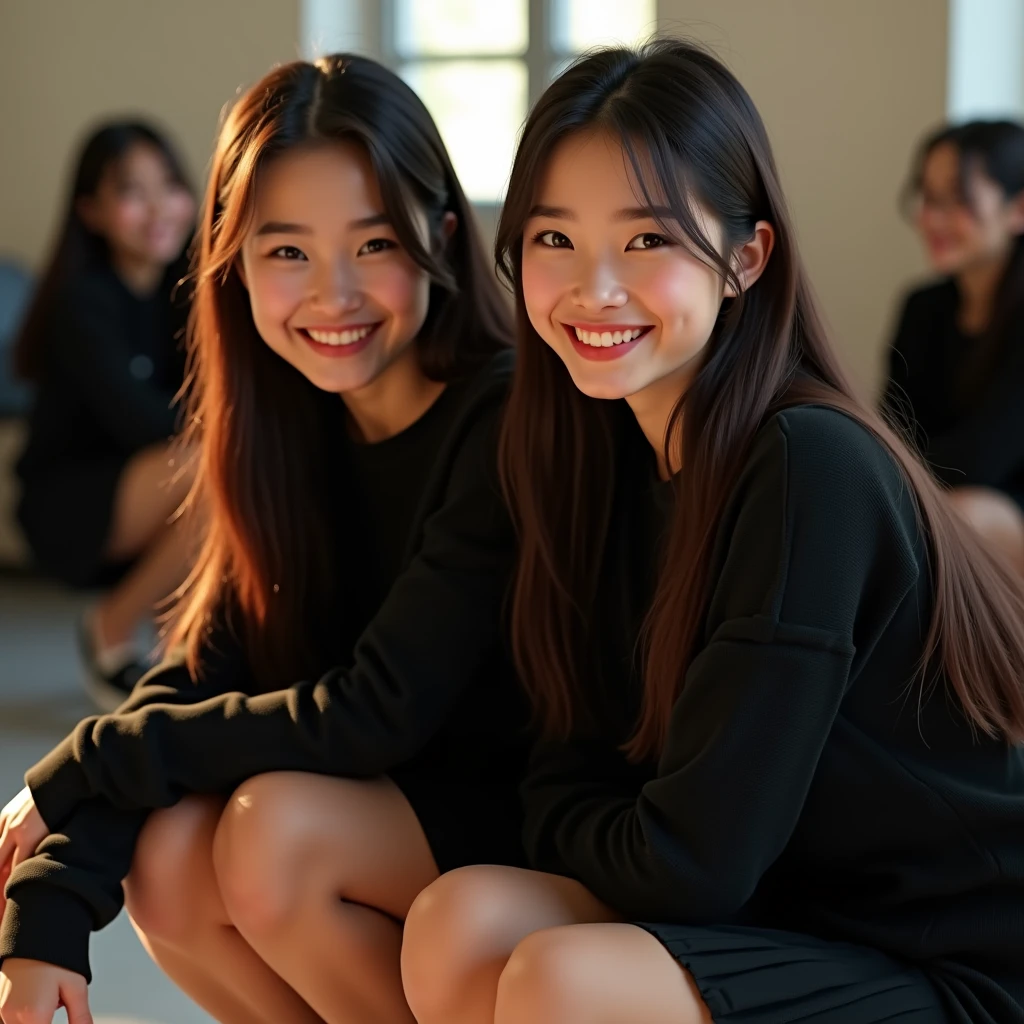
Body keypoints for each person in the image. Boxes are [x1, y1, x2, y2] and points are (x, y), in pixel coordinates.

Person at [397, 40, 1024, 1024]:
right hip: (789, 910)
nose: (590, 287)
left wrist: (579, 818)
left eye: (646, 240)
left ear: (745, 256)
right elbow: (572, 755)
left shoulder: (805, 464)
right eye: (552, 239)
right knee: (459, 920)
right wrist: (594, 815)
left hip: (949, 965)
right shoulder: (599, 454)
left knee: (555, 982)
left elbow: (691, 864)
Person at [0, 54, 526, 1024]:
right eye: (286, 251)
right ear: (232, 266)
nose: (334, 293)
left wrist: (81, 764)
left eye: (373, 245)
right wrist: (52, 905)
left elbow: (376, 713)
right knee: (162, 859)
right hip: (381, 799)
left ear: (440, 238)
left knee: (269, 835)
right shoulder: (292, 426)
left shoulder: (501, 417)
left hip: (520, 804)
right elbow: (207, 663)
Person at [14, 120, 198, 709]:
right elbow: (142, 421)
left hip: (147, 480)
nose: (158, 208)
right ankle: (112, 628)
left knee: (236, 472)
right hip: (70, 502)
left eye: (168, 185)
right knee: (218, 468)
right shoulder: (83, 302)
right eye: (130, 192)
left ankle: (179, 648)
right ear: (91, 211)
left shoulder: (189, 289)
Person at [883, 120, 1024, 575]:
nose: (933, 218)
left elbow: (984, 458)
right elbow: (892, 428)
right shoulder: (923, 307)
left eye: (959, 200)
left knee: (960, 515)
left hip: (997, 508)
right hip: (937, 496)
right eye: (928, 197)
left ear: (1018, 208)